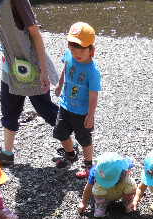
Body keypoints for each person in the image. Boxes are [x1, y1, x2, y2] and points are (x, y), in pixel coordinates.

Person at [0, 0, 59, 166]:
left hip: (31, 66)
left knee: (45, 109)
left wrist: (43, 70)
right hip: (10, 65)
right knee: (8, 108)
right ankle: (7, 153)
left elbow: (35, 33)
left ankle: (74, 146)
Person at [53, 22, 102, 178]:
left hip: (81, 112)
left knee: (84, 139)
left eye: (81, 48)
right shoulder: (69, 55)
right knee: (60, 132)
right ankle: (71, 154)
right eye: (73, 47)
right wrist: (60, 85)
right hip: (65, 105)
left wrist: (91, 114)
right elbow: (65, 69)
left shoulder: (92, 71)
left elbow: (94, 95)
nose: (76, 52)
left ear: (91, 50)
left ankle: (89, 165)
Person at [78, 152, 136, 218]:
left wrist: (136, 198)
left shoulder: (124, 166)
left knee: (130, 184)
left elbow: (134, 185)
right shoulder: (96, 171)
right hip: (105, 194)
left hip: (120, 189)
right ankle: (101, 206)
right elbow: (89, 187)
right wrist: (83, 202)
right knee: (97, 188)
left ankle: (128, 202)